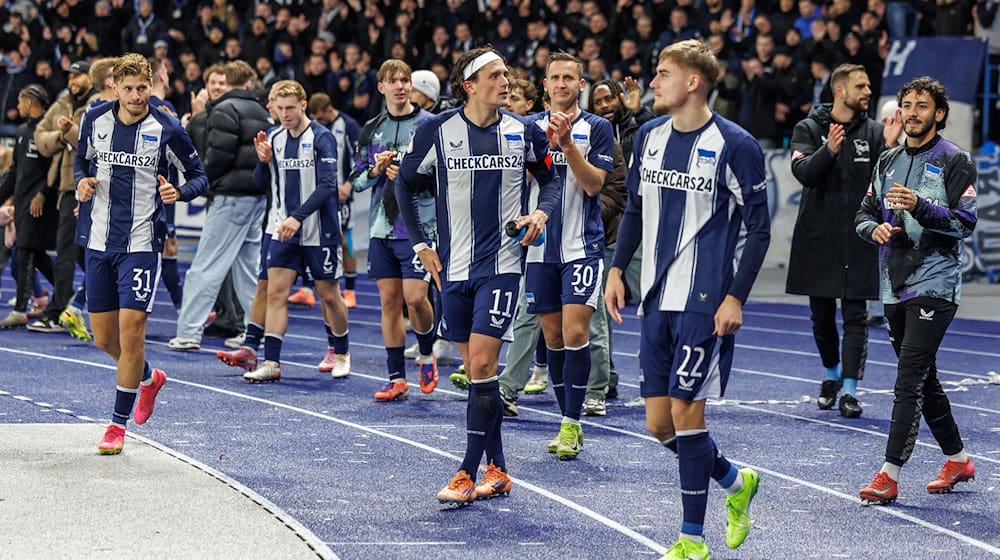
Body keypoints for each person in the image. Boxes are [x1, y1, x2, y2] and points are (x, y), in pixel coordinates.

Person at [605, 40, 769, 558]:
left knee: (686, 416)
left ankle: (692, 540)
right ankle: (735, 482)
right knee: (658, 425)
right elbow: (633, 209)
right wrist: (615, 270)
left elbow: (759, 230)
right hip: (654, 297)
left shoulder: (736, 145)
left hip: (703, 301)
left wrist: (734, 298)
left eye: (662, 73)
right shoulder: (650, 136)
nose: (653, 83)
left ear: (693, 82)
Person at [397, 46, 560, 505]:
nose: (505, 81)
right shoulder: (437, 129)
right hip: (453, 268)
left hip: (503, 265)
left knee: (485, 365)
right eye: (494, 75)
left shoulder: (523, 131)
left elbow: (550, 180)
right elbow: (404, 184)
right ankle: (500, 470)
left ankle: (466, 471)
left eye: (507, 73)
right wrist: (422, 245)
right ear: (469, 85)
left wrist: (541, 214)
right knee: (477, 373)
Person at [74, 53, 208, 454]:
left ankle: (116, 426)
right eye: (128, 88)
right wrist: (81, 183)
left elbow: (200, 177)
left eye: (142, 88)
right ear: (114, 86)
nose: (135, 96)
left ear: (151, 86)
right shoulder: (94, 120)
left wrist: (178, 192)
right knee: (104, 339)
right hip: (98, 242)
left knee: (132, 334)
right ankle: (149, 378)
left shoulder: (167, 128)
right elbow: (81, 162)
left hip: (141, 245)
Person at [857, 77, 978, 504]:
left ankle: (888, 474)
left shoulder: (954, 159)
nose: (912, 112)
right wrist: (874, 229)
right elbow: (863, 213)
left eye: (921, 106)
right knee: (925, 382)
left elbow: (965, 222)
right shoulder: (887, 159)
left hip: (935, 281)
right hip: (892, 283)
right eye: (907, 104)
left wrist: (920, 207)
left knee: (908, 378)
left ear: (938, 114)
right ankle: (959, 460)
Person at [786, 64, 901, 418]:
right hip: (818, 238)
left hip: (859, 237)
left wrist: (893, 147)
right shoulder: (809, 128)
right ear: (840, 91)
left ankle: (850, 390)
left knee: (856, 317)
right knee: (821, 317)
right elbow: (804, 173)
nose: (868, 91)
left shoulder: (876, 132)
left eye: (868, 85)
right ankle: (831, 375)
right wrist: (829, 150)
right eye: (861, 86)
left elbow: (890, 177)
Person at [523, 52, 614, 457]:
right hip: (540, 249)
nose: (561, 84)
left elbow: (595, 185)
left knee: (577, 334)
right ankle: (567, 418)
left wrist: (567, 146)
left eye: (569, 78)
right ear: (545, 84)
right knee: (554, 336)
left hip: (582, 246)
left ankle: (571, 423)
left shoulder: (598, 127)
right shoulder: (525, 127)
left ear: (582, 85)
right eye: (554, 78)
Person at [244, 80, 351, 382]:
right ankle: (272, 362)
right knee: (276, 292)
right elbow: (259, 182)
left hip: (319, 230)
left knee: (328, 294)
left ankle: (342, 352)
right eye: (279, 109)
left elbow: (328, 185)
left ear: (304, 105)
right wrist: (262, 161)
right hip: (283, 229)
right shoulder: (275, 138)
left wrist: (298, 217)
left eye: (290, 108)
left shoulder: (322, 137)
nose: (285, 114)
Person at [168, 60, 271, 351]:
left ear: (227, 82)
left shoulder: (225, 110)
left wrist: (204, 182)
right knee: (247, 269)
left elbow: (218, 158)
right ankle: (255, 332)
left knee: (205, 267)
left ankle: (188, 333)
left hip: (230, 198)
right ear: (249, 82)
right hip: (255, 197)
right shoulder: (261, 110)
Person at [350, 59, 437, 401]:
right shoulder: (371, 128)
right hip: (382, 227)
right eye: (394, 81)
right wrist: (375, 171)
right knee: (389, 302)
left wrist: (409, 175)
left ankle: (427, 353)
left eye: (405, 80)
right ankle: (396, 377)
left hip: (420, 227)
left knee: (415, 300)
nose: (401, 86)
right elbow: (356, 181)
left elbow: (446, 174)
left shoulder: (430, 124)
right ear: (381, 87)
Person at [31, 60, 98, 339]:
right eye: (70, 76)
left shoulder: (96, 103)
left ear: (89, 78)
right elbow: (40, 134)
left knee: (68, 253)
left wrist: (70, 132)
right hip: (64, 186)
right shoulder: (60, 103)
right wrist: (63, 136)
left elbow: (90, 141)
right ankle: (83, 301)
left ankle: (59, 310)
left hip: (83, 185)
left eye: (78, 76)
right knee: (80, 254)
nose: (73, 81)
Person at [0, 85, 56, 329]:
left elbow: (54, 167)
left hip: (39, 204)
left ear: (30, 103)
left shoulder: (48, 129)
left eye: (21, 102)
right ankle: (68, 295)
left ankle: (20, 310)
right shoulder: (22, 131)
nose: (18, 107)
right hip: (23, 202)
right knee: (37, 254)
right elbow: (14, 171)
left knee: (24, 251)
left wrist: (43, 193)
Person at [308, 92, 361, 309]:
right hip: (316, 191)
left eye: (320, 119)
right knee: (311, 236)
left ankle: (350, 290)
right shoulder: (312, 126)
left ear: (329, 110)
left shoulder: (349, 125)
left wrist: (349, 185)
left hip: (340, 192)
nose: (317, 123)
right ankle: (307, 287)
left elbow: (360, 157)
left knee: (343, 238)